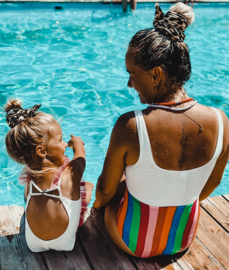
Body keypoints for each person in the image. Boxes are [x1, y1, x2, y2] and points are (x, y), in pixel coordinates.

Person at [93, 3, 229, 258]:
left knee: (114, 191)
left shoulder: (131, 126)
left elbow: (103, 191)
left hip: (132, 242)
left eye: (132, 74)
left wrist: (98, 208)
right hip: (182, 240)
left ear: (156, 74)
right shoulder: (222, 122)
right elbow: (211, 184)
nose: (129, 83)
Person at [5, 99, 94, 252]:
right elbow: (81, 157)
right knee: (87, 187)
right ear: (42, 151)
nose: (65, 144)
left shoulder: (29, 182)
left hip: (33, 244)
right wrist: (77, 143)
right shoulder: (71, 174)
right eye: (60, 140)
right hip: (65, 243)